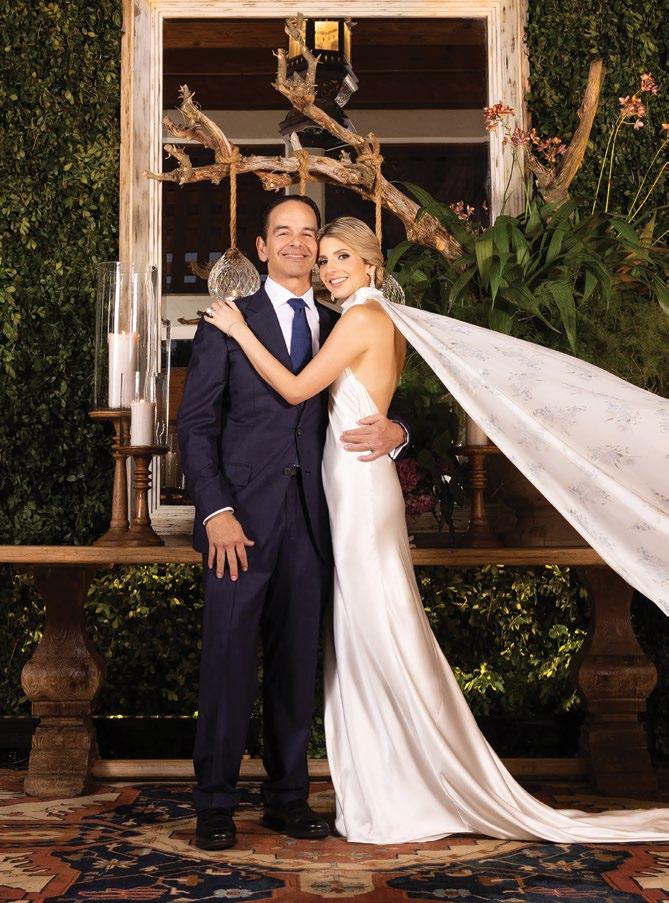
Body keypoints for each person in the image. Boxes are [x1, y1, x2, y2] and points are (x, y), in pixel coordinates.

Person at [206, 215, 669, 845]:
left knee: (374, 632)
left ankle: (404, 784)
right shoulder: (360, 318)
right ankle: (384, 778)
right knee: (366, 633)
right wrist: (394, 430)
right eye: (326, 257)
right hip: (333, 494)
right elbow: (362, 404)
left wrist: (239, 329)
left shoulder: (360, 318)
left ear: (372, 265)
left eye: (341, 256)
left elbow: (297, 392)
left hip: (354, 496)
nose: (328, 267)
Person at [177, 199, 409, 851]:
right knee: (227, 660)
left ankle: (287, 799)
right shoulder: (227, 320)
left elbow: (383, 399)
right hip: (239, 523)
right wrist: (215, 510)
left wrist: (398, 431)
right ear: (261, 246)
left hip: (317, 519)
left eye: (310, 234)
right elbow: (196, 426)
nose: (299, 244)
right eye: (284, 232)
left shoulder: (345, 317)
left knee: (297, 664)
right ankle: (215, 804)